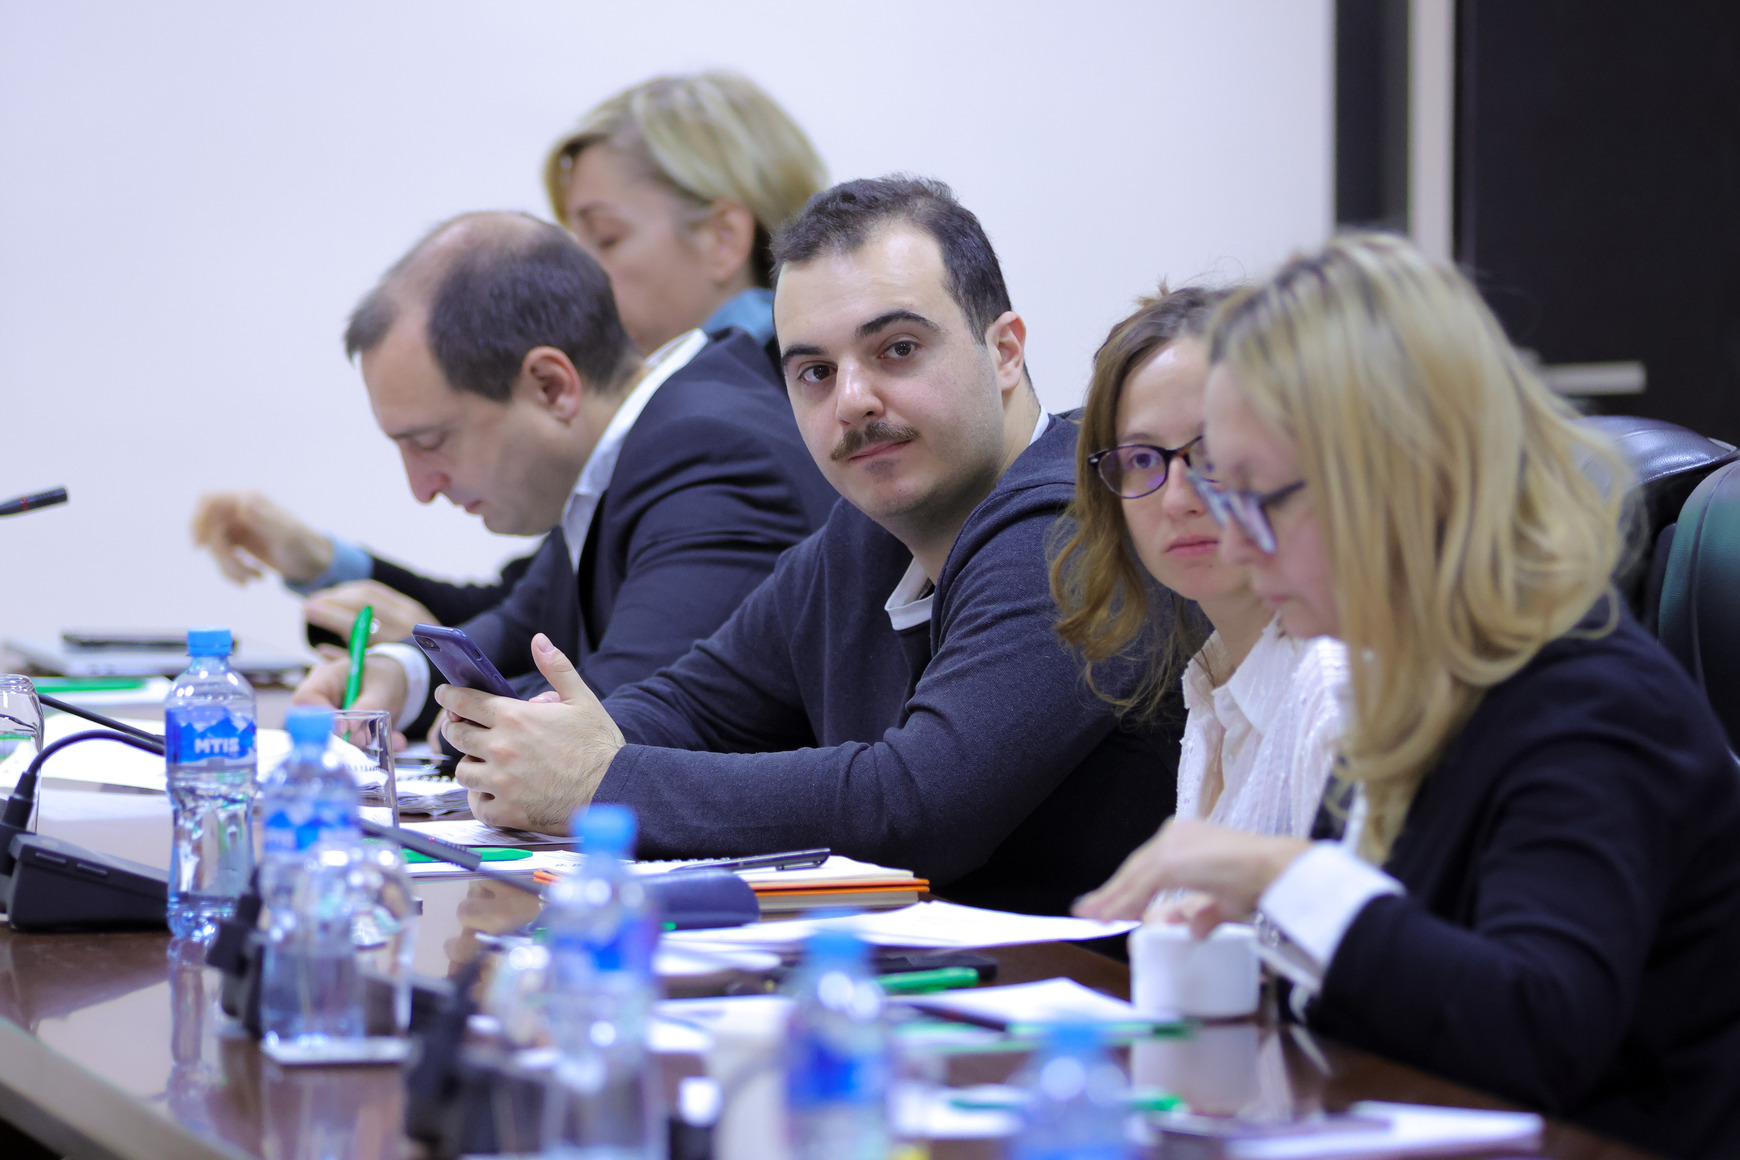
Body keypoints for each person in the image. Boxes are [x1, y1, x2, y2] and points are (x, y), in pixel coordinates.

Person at [1076, 233, 1740, 1158]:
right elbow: (1379, 1004)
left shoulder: (1592, 706)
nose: (1240, 540)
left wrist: (1282, 877)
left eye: (1262, 497)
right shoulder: (1409, 683)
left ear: (1402, 479)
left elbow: (1537, 1032)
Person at [431, 177, 1182, 916]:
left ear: (1006, 351)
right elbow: (694, 706)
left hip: (1088, 988)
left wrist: (599, 782)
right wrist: (537, 740)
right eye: (816, 372)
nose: (852, 401)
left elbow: (917, 805)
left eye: (897, 349)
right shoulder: (866, 532)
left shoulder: (1074, 522)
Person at [193, 71, 827, 639]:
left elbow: (620, 692)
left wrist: (430, 665)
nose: (577, 271)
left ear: (724, 238)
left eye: (604, 237)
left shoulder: (742, 425)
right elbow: (533, 611)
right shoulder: (658, 421)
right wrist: (326, 565)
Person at [292, 211, 836, 740]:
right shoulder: (631, 452)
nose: (421, 488)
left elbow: (614, 725)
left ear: (551, 387)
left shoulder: (710, 454)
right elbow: (517, 625)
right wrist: (399, 675)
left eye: (431, 442)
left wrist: (459, 720)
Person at [1052, 288, 1346, 918]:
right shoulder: (1211, 685)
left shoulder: (1333, 687)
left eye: (1213, 454)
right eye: (1141, 458)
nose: (1179, 498)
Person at [544, 70, 826, 360]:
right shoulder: (808, 362)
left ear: (724, 238)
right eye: (576, 247)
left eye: (607, 238)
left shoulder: (750, 377)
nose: (574, 281)